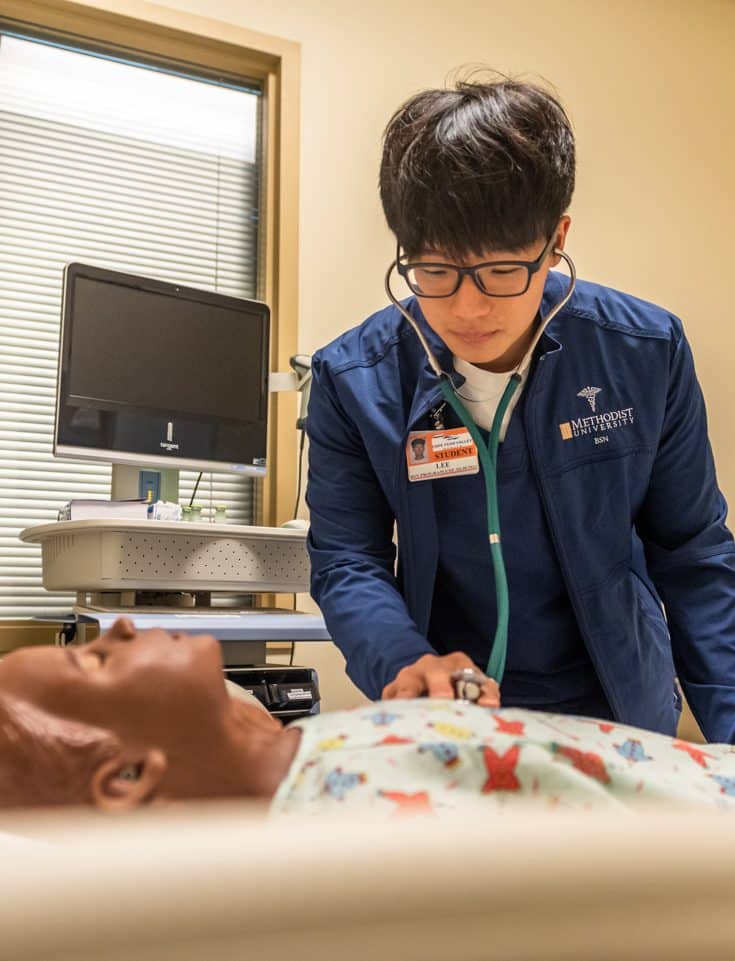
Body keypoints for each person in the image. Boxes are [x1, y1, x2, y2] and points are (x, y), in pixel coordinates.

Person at [305, 77, 735, 742]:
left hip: (617, 709)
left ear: (555, 239)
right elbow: (347, 559)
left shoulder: (645, 353)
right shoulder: (351, 379)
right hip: (452, 712)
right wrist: (404, 659)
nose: (468, 308)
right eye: (435, 270)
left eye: (503, 269)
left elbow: (693, 556)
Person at [1, 621, 735, 814]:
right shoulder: (356, 837)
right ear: (129, 774)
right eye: (93, 660)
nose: (121, 625)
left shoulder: (287, 743)